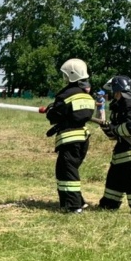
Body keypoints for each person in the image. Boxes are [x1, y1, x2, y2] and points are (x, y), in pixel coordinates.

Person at [42, 58, 96, 213]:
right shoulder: (87, 96)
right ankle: (77, 201)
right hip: (83, 139)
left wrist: (51, 110)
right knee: (68, 170)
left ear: (72, 75)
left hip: (70, 139)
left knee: (67, 171)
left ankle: (73, 206)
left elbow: (54, 117)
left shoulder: (66, 95)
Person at [98, 75, 131, 212]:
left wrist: (115, 129)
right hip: (124, 149)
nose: (113, 95)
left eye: (114, 92)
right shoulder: (120, 105)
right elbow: (117, 131)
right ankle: (109, 204)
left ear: (118, 91)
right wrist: (109, 130)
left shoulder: (128, 103)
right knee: (115, 178)